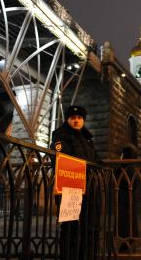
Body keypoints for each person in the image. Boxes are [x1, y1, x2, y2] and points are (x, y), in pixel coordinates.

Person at [51, 105, 97, 260]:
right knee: (70, 228)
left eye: (79, 118)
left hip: (89, 188)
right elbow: (62, 158)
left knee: (89, 226)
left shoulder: (87, 138)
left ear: (83, 120)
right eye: (73, 118)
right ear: (67, 120)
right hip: (71, 188)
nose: (76, 121)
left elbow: (96, 160)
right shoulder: (60, 136)